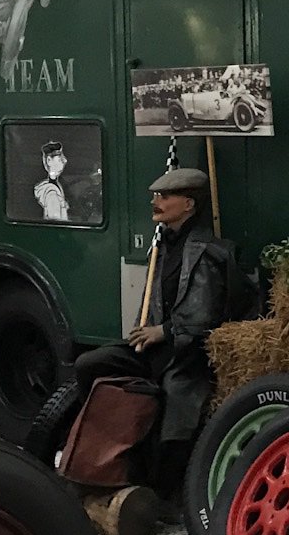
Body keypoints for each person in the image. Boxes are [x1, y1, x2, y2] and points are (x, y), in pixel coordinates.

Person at [65, 167, 229, 500]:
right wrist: (147, 332)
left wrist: (163, 331)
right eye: (156, 196)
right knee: (89, 364)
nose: (156, 202)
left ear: (188, 204)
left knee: (175, 404)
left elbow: (204, 316)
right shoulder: (162, 245)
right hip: (153, 351)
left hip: (185, 356)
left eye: (165, 197)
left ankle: (164, 492)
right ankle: (101, 451)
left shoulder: (207, 252)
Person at [35, 140, 69, 221]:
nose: (64, 161)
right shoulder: (51, 192)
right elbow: (55, 221)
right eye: (59, 159)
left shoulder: (56, 185)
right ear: (49, 161)